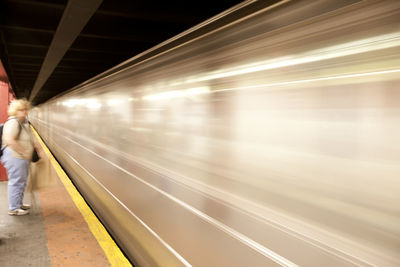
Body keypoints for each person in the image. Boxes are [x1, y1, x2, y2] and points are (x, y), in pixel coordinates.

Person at [1, 99, 35, 216]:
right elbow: (10, 140)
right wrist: (24, 152)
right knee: (16, 182)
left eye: (25, 109)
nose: (24, 112)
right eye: (21, 110)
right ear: (15, 111)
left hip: (20, 157)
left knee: (21, 182)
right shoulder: (13, 122)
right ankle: (14, 208)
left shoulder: (22, 122)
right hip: (14, 156)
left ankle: (18, 203)